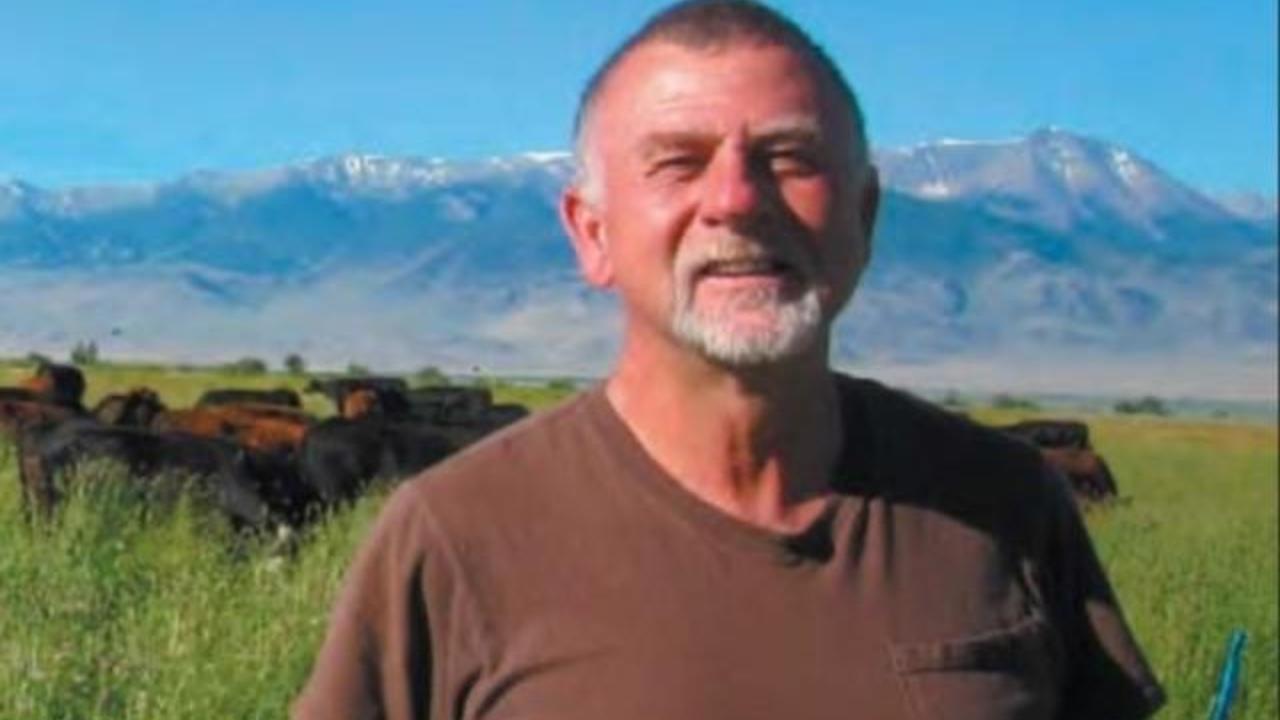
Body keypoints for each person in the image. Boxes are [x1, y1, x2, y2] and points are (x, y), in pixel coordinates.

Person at [293, 2, 1165, 718]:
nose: (738, 199)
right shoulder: (454, 535)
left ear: (864, 217)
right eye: (679, 163)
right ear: (591, 233)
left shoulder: (1007, 503)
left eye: (790, 158)